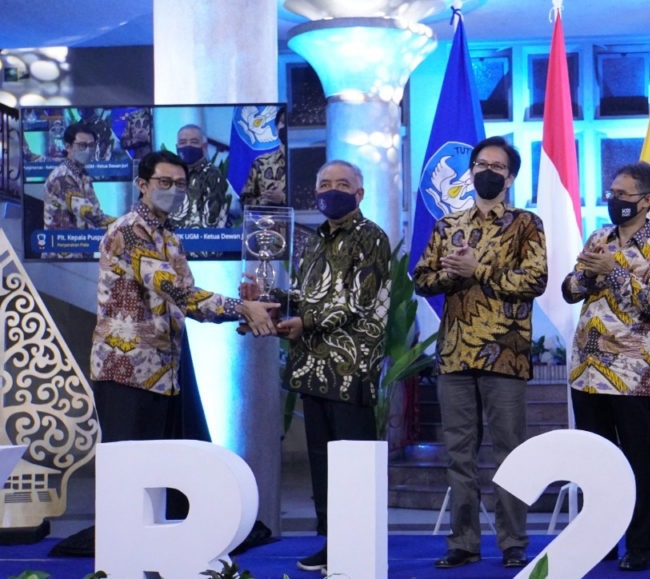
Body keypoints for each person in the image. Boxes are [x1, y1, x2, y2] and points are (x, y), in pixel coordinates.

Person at [244, 160, 391, 572]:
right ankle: (332, 543)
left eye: (342, 184)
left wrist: (304, 320)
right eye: (324, 183)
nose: (332, 190)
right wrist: (267, 298)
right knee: (324, 467)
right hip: (313, 368)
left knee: (353, 467)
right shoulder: (314, 241)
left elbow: (356, 301)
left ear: (359, 194)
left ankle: (359, 544)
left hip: (350, 369)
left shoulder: (371, 238)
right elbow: (307, 294)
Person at [412, 136, 547, 570]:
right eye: (481, 164)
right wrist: (451, 274)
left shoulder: (527, 224)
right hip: (455, 354)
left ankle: (513, 542)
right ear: (470, 172)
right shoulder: (448, 225)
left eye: (498, 166)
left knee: (510, 451)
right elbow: (422, 279)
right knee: (459, 454)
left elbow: (535, 280)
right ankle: (464, 542)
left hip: (505, 355)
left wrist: (479, 270)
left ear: (510, 176)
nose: (488, 171)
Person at [90, 150, 278, 445]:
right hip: (127, 371)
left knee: (168, 476)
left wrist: (244, 313)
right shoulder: (128, 231)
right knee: (131, 478)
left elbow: (188, 302)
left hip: (167, 372)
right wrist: (241, 308)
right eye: (164, 182)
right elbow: (175, 290)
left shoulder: (168, 236)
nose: (174, 190)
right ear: (142, 184)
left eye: (180, 184)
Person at [561, 161, 650, 572]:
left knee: (638, 459)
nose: (615, 201)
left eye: (623, 195)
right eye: (611, 193)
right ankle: (600, 538)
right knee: (596, 461)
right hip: (587, 368)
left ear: (646, 200)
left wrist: (616, 271)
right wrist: (588, 274)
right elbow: (570, 290)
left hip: (631, 373)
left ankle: (641, 545)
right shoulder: (599, 237)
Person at [43, 122, 115, 232]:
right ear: (68, 147)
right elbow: (89, 213)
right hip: (62, 246)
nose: (88, 150)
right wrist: (125, 224)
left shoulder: (82, 175)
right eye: (82, 145)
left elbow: (95, 208)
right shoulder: (61, 178)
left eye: (91, 145)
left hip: (81, 244)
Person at [169, 124, 232, 229]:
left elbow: (212, 220)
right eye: (183, 142)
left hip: (202, 240)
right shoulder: (168, 175)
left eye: (194, 142)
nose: (188, 146)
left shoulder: (213, 176)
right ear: (177, 147)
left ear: (204, 147)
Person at [240, 107, 287, 207]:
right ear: (275, 129)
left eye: (290, 123)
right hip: (265, 221)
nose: (286, 127)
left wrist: (283, 198)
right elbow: (244, 201)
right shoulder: (261, 162)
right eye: (283, 122)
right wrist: (263, 201)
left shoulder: (307, 163)